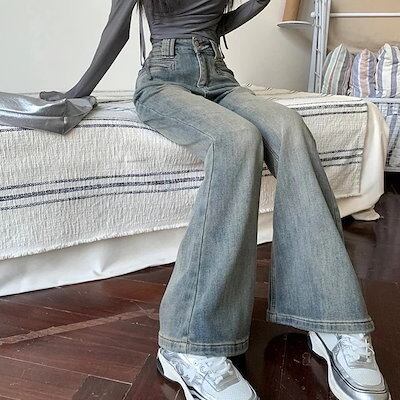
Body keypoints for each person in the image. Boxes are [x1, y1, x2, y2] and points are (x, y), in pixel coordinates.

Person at [40, 1, 391, 399]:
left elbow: (225, 17)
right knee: (237, 140)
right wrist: (76, 94)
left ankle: (333, 318)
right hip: (164, 80)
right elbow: (117, 28)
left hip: (220, 77)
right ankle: (188, 343)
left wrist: (238, 15)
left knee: (291, 128)